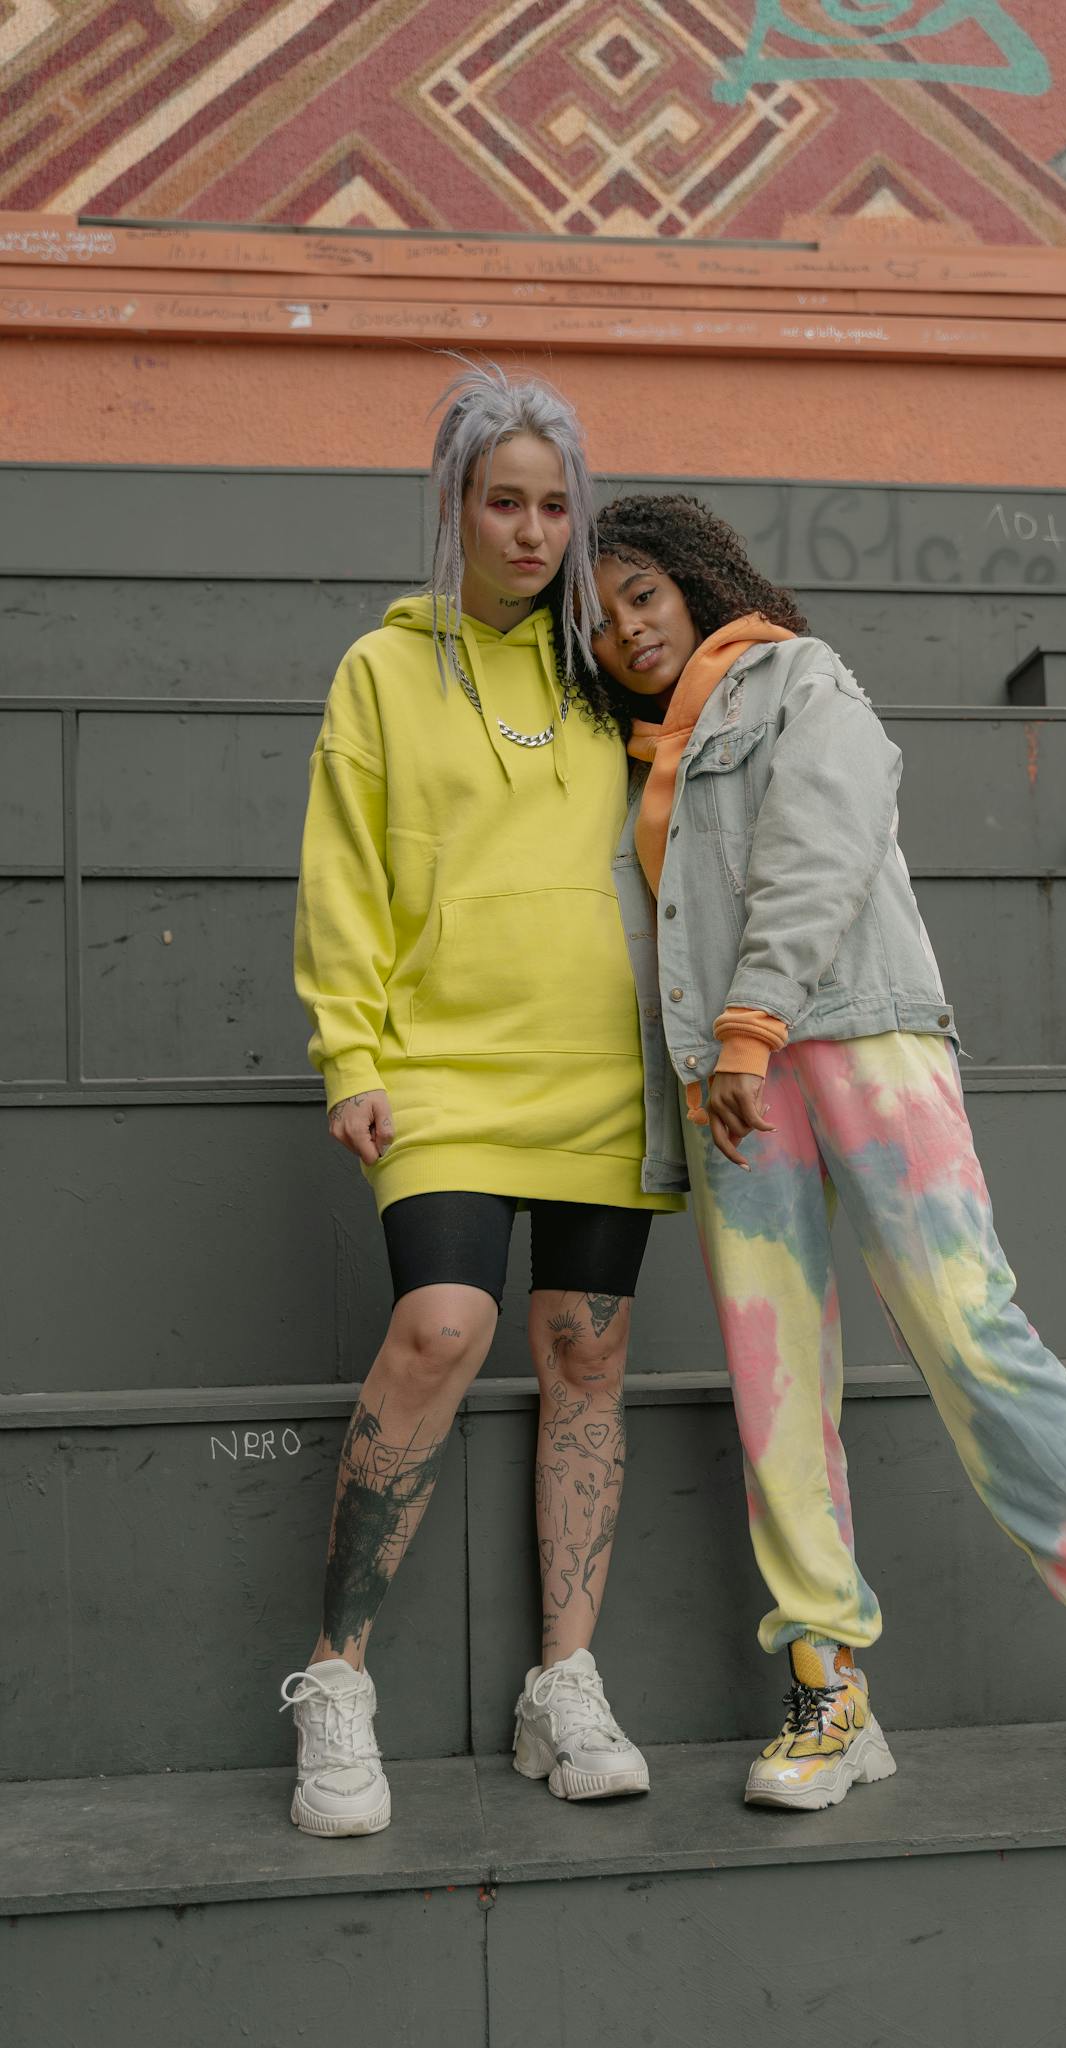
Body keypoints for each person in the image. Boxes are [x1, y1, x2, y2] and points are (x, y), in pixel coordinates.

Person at [589, 492, 1066, 1813]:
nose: (625, 624)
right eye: (601, 611)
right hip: (730, 1088)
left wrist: (749, 1021)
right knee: (773, 1373)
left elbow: (824, 844)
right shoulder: (639, 757)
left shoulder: (800, 678)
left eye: (640, 592)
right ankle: (825, 1682)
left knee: (966, 1326)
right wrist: (704, 1069)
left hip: (853, 1034)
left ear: (692, 580)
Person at [281, 366, 685, 1837]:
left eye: (554, 504)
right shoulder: (379, 671)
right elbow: (343, 876)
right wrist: (354, 1056)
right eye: (502, 501)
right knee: (439, 1326)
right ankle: (335, 1680)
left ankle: (561, 1687)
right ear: (452, 506)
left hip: (602, 1071)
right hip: (445, 1065)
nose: (530, 531)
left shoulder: (608, 668)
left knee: (585, 1352)